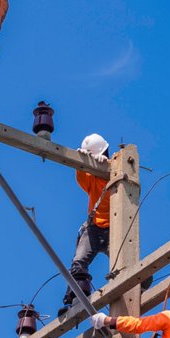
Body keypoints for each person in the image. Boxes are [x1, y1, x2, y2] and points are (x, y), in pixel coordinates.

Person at [60, 133, 113, 318]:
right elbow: (81, 175)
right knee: (78, 263)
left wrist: (109, 164)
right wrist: (81, 161)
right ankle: (74, 298)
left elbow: (126, 173)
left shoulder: (117, 172)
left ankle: (139, 283)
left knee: (124, 263)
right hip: (94, 229)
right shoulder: (91, 178)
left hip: (115, 231)